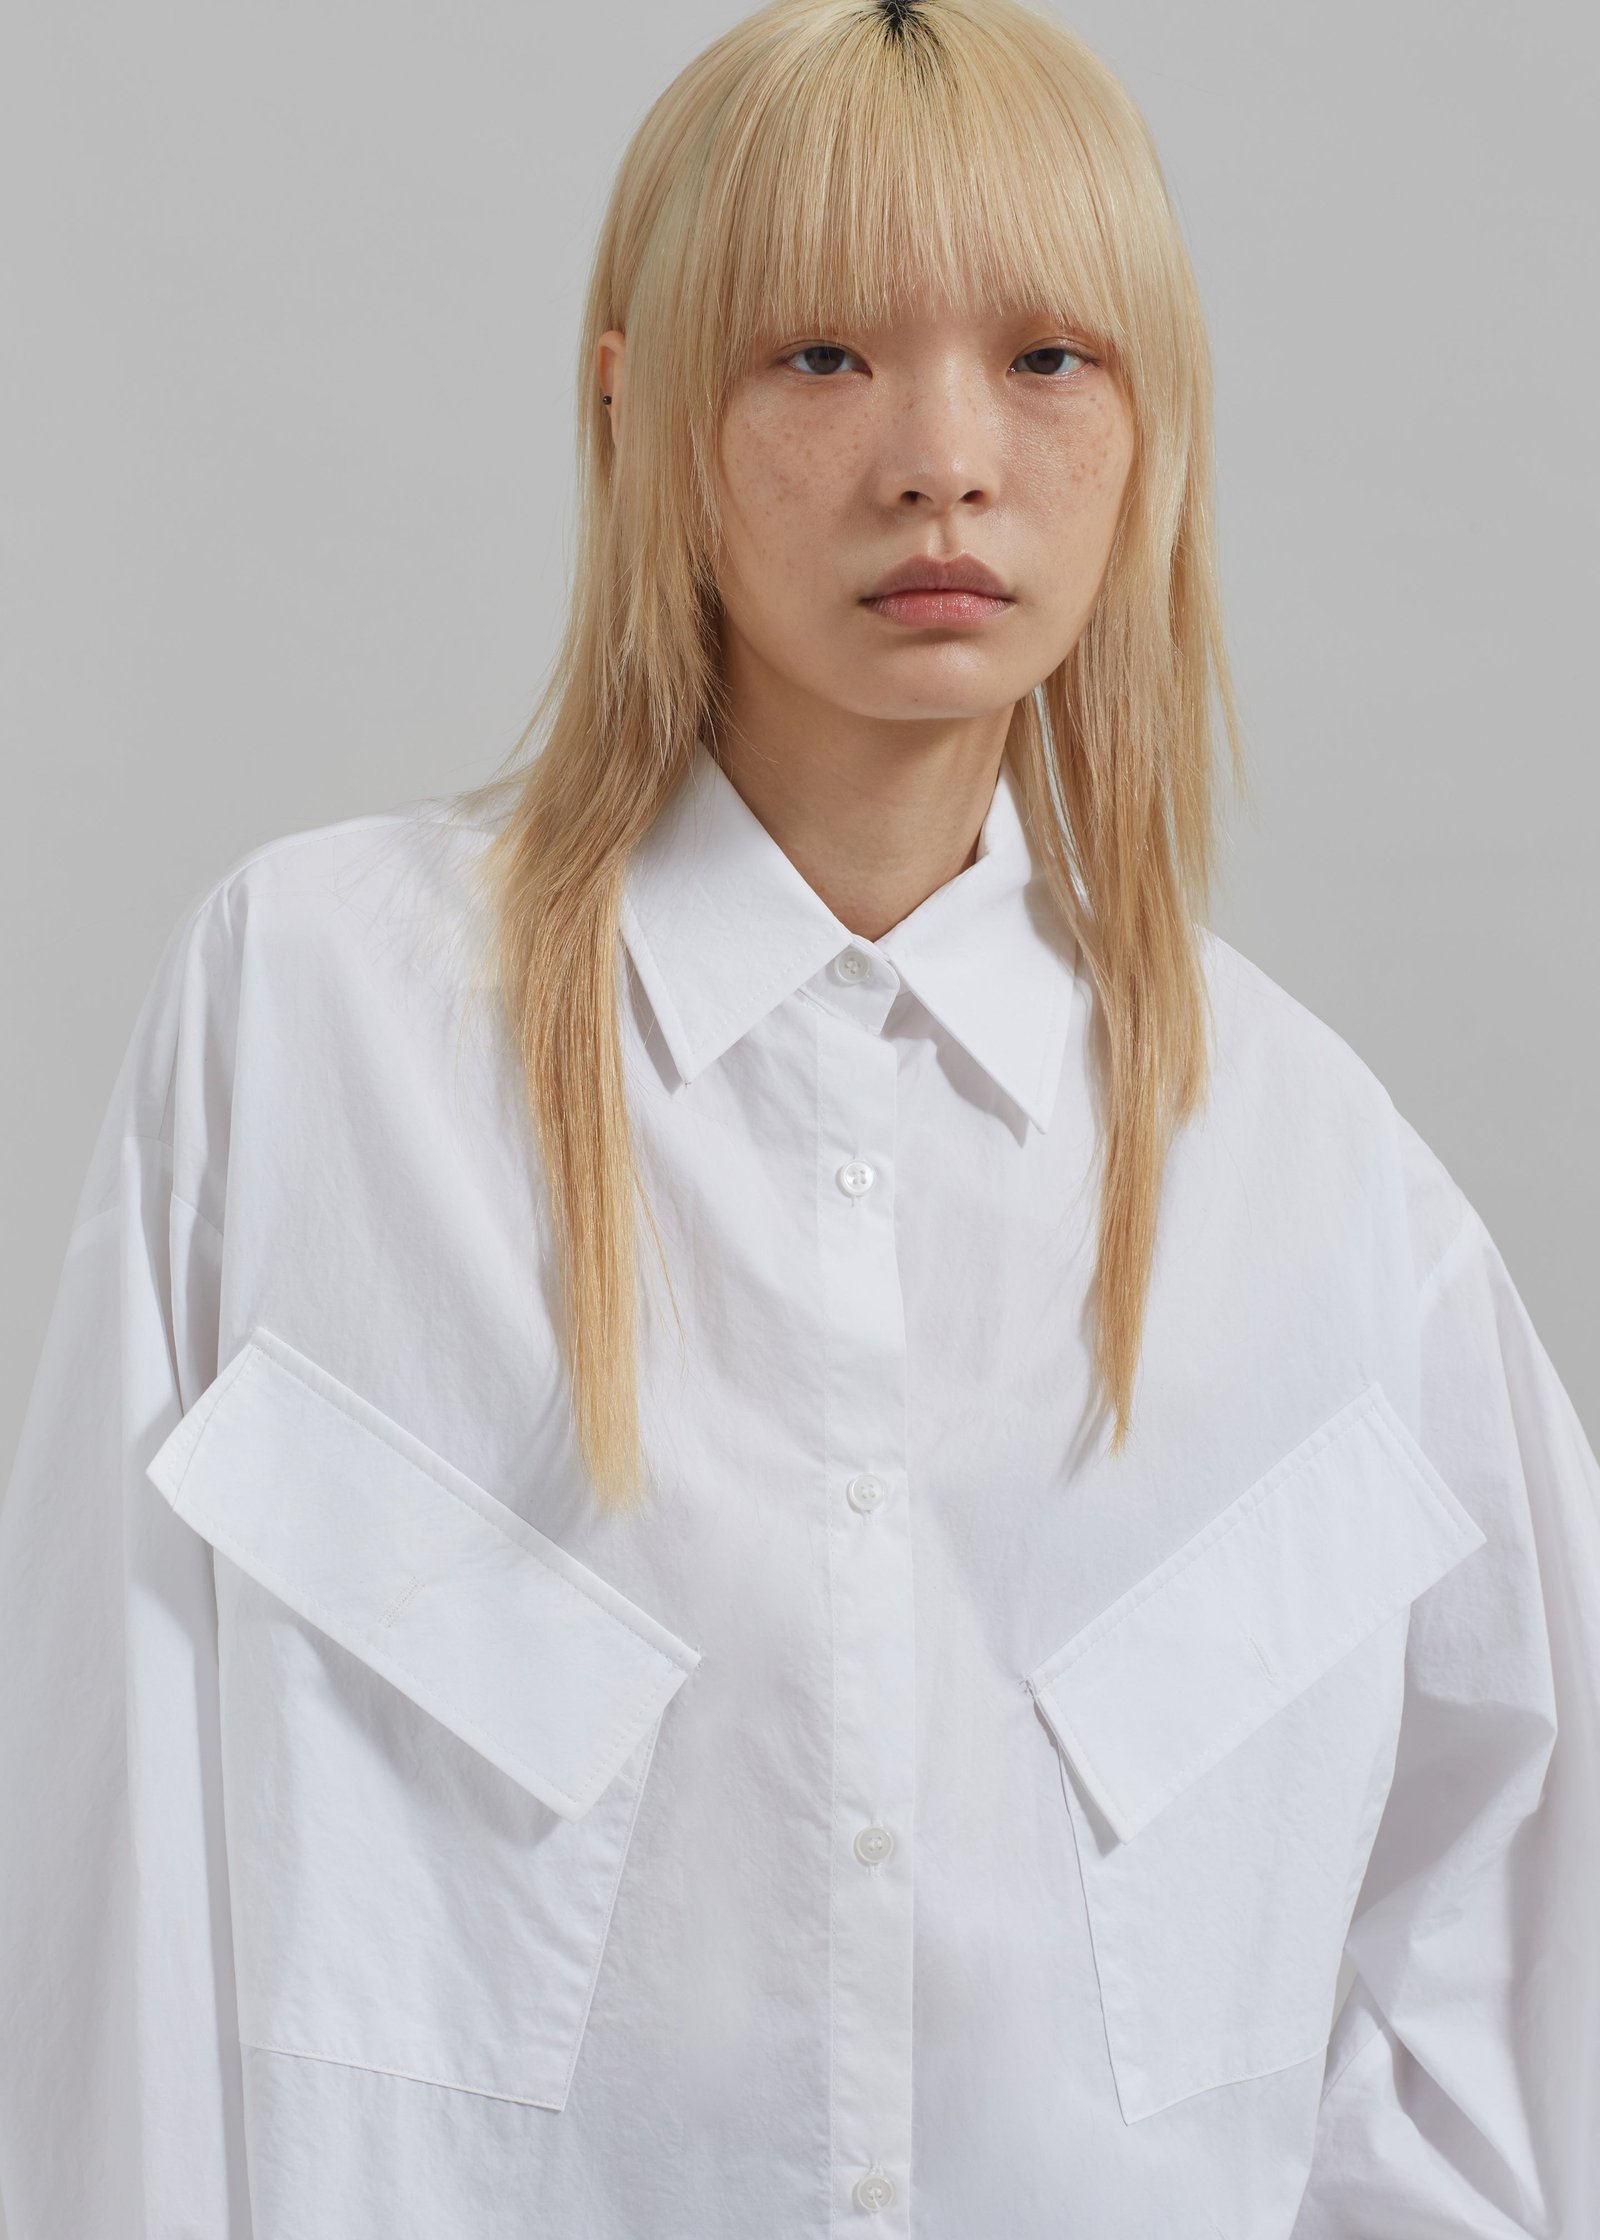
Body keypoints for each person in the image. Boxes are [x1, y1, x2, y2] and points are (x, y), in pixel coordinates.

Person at [1, 0, 1596, 2232]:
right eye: (820, 354)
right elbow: (104, 1900)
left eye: (1048, 357)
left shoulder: (1326, 1195)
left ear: (1149, 425)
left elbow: (1509, 2016)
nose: (943, 458)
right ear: (633, 403)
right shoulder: (307, 1033)